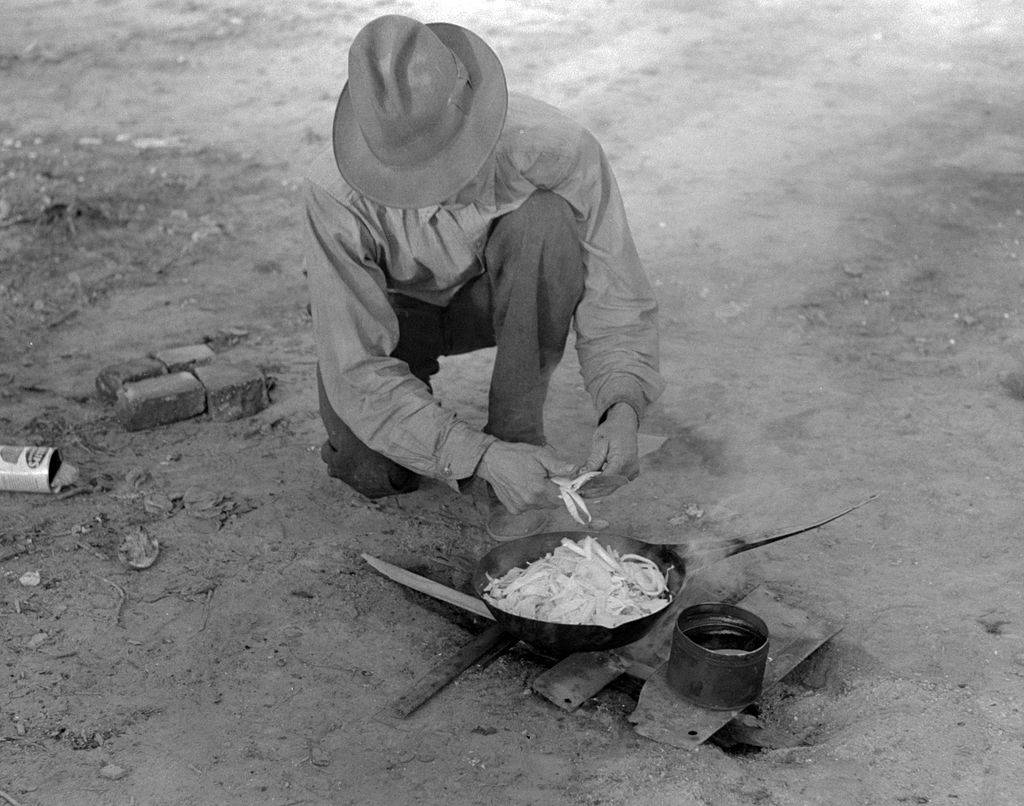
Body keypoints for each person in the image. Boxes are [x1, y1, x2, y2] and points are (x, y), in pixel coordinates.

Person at [304, 14, 664, 539]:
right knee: (370, 468)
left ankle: (518, 430)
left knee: (545, 220)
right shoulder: (334, 196)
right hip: (397, 320)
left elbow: (618, 294)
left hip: (491, 302)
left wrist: (623, 405)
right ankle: (482, 450)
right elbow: (355, 370)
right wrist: (476, 455)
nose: (442, 187)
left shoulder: (557, 148)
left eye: (455, 163)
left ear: (479, 117)